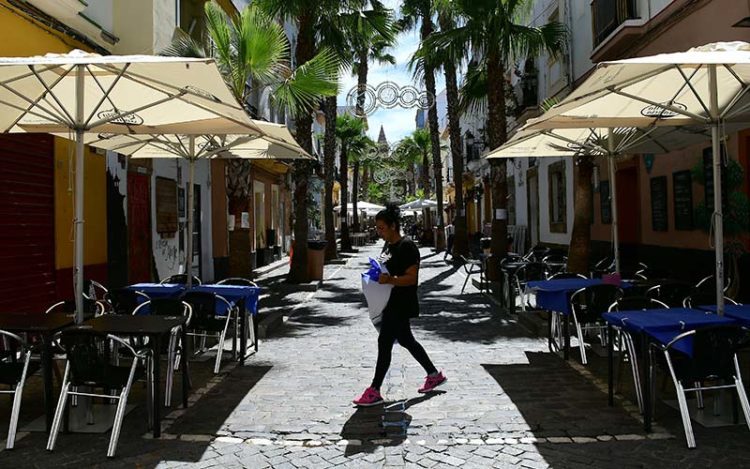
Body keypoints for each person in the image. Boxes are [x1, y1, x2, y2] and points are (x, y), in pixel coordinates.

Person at [353, 204, 446, 407]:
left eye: (381, 228)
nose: (378, 232)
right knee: (406, 340)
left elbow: (411, 279)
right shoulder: (388, 247)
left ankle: (375, 390)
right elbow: (383, 267)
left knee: (384, 342)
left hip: (401, 303)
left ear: (393, 226)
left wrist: (390, 280)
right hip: (389, 302)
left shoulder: (407, 247)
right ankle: (434, 374)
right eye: (377, 228)